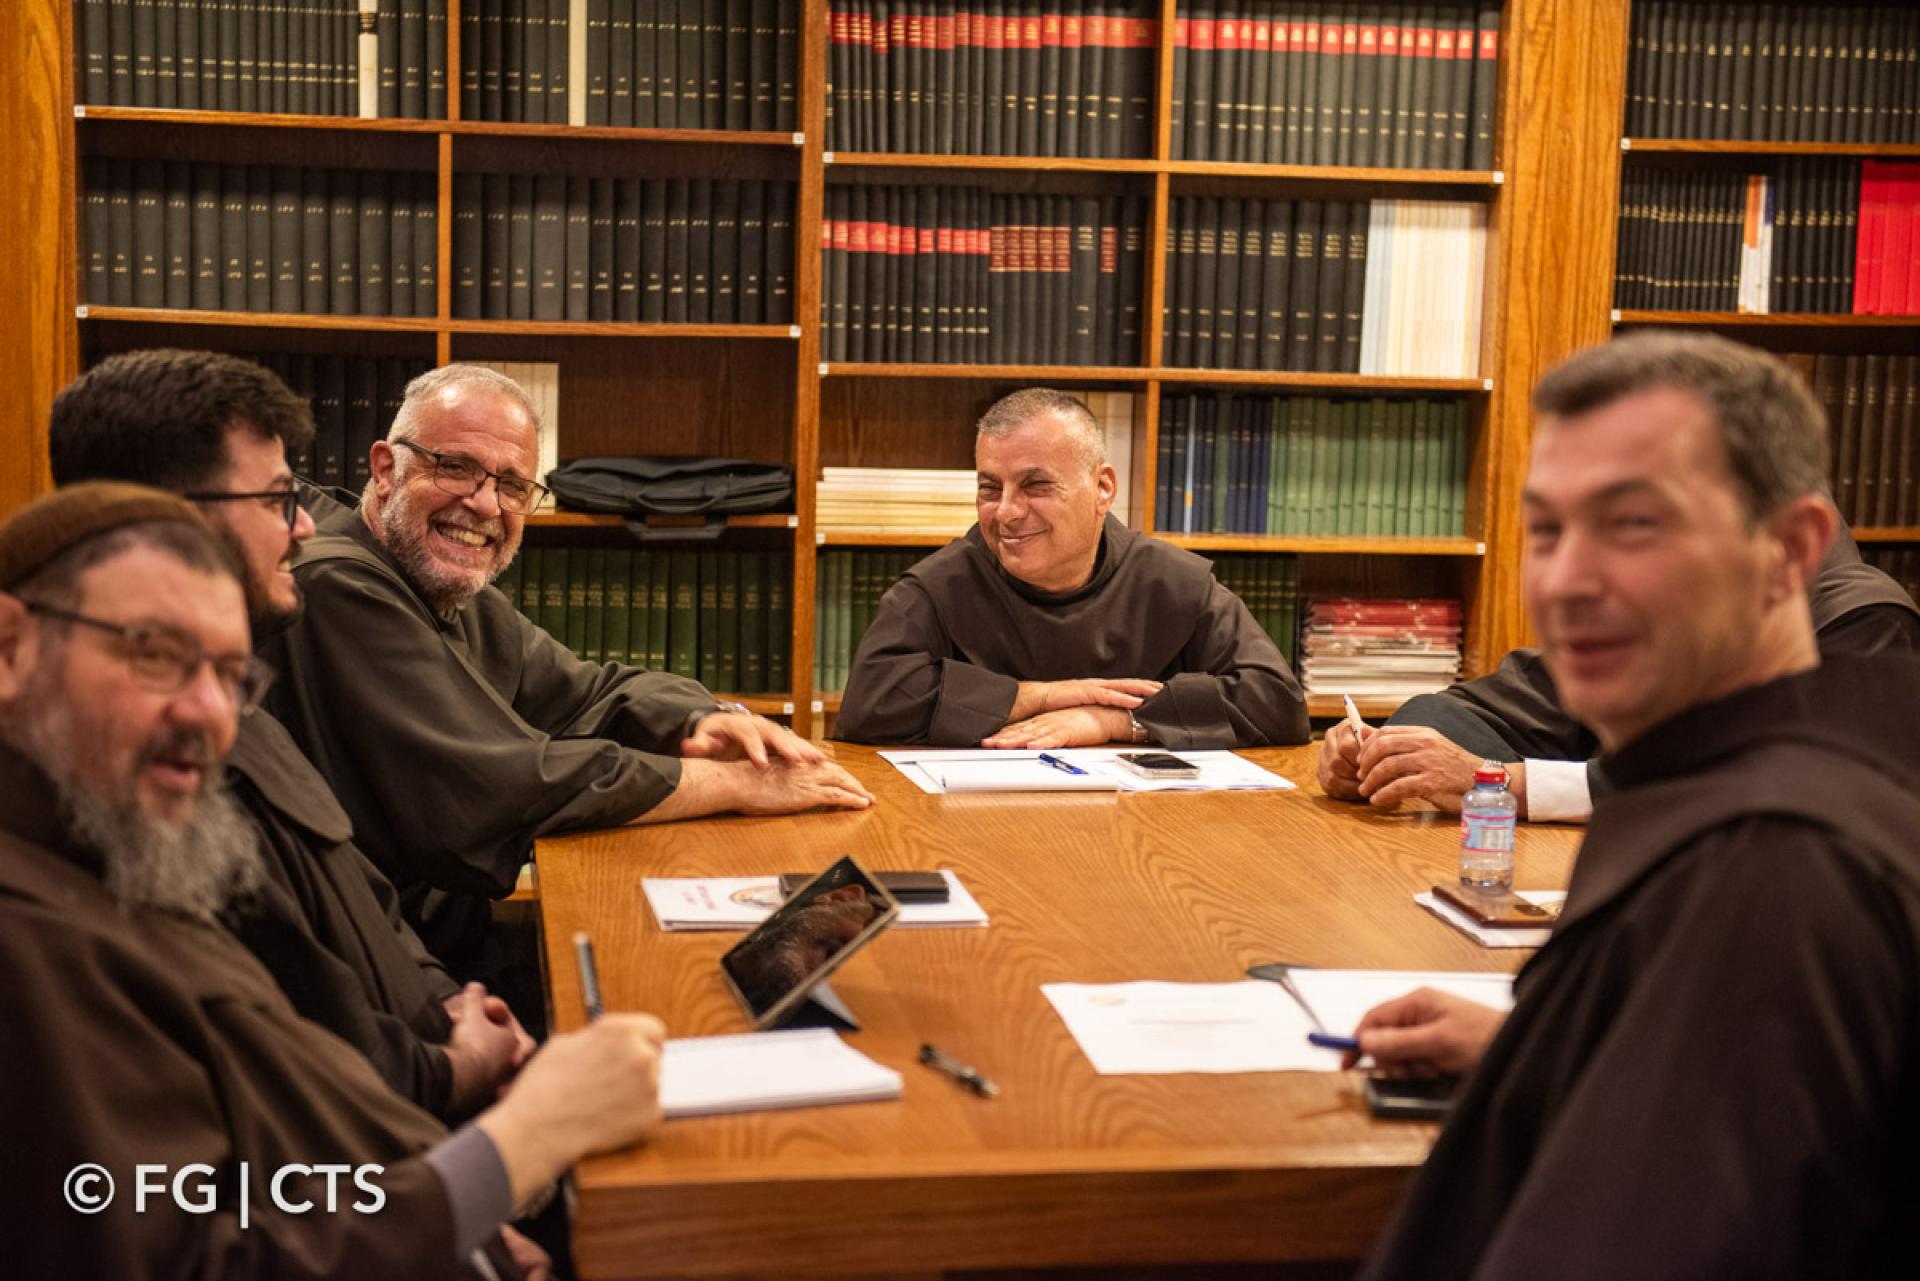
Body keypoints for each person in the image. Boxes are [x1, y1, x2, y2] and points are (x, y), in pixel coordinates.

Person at [1341, 333, 1920, 1279]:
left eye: (1635, 524)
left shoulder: (1776, 867)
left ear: (1790, 550)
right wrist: (1550, 1043)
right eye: (1546, 530)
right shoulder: (1723, 781)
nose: (1567, 580)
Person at [0, 484, 668, 1280]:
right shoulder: (28, 941)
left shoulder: (127, 850)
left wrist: (466, 1216)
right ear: (11, 647)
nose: (208, 713)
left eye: (229, 675)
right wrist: (518, 1144)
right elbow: (193, 1254)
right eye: (157, 656)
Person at [262, 364, 872, 977]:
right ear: (385, 469)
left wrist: (703, 719)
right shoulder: (337, 585)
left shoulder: (439, 586)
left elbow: (587, 692)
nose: (484, 504)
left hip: (432, 943)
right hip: (378, 972)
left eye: (512, 485)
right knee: (669, 987)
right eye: (456, 467)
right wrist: (733, 785)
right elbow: (494, 787)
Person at [47, 349, 526, 1121]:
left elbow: (369, 913)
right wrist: (460, 1070)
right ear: (159, 516)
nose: (303, 525)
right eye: (276, 499)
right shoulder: (146, 770)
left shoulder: (247, 710)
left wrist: (450, 1004)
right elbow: (299, 1061)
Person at [1318, 528, 1919, 819]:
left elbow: (1748, 783)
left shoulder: (1862, 620)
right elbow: (1494, 709)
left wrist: (1499, 783)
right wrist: (1387, 752)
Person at [835, 388, 1310, 748]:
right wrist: (1037, 696)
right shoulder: (940, 585)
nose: (1006, 512)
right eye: (990, 488)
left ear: (1103, 488)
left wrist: (1113, 721)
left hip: (1145, 829)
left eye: (1035, 485)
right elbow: (871, 705)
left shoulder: (1172, 582)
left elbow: (1276, 703)